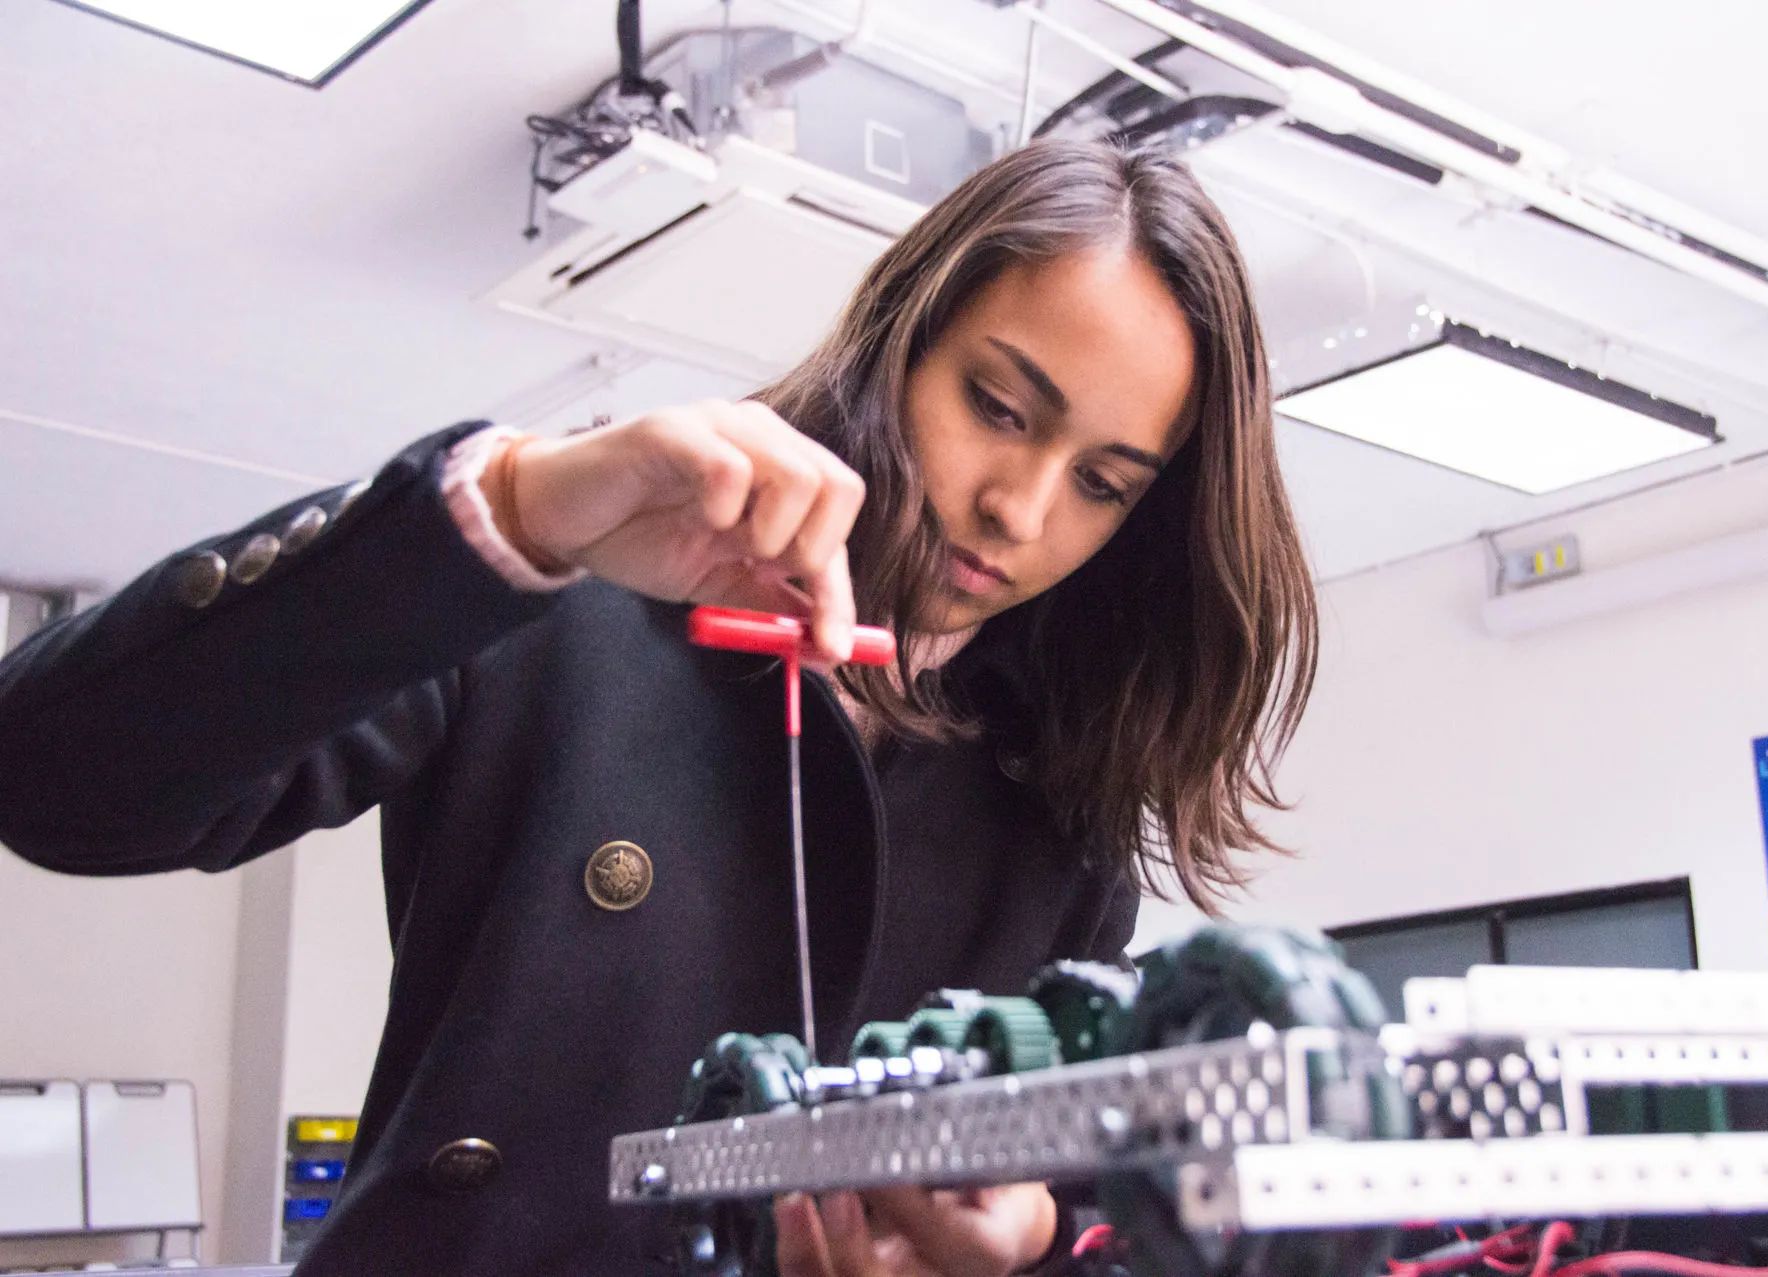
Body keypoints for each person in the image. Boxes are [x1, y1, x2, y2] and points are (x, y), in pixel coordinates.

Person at [0, 138, 1317, 1275]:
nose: (1018, 511)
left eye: (1107, 483)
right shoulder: (564, 604)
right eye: (995, 406)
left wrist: (1010, 1245)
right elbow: (57, 782)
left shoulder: (1059, 822)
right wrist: (507, 516)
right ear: (901, 338)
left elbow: (1055, 1205)